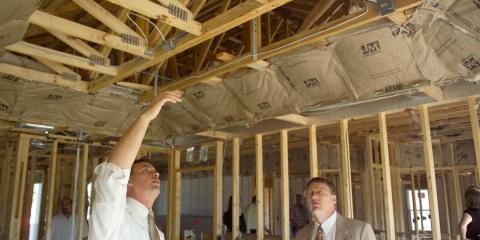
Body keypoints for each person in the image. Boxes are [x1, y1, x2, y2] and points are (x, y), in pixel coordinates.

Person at [88, 91, 183, 240]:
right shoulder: (114, 218)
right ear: (128, 181)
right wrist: (146, 118)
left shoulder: (158, 234)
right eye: (146, 170)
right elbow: (113, 174)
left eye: (155, 171)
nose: (156, 174)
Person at [295, 177, 375, 240]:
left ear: (334, 199)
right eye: (310, 193)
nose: (313, 197)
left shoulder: (361, 231)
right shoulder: (301, 235)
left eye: (319, 192)